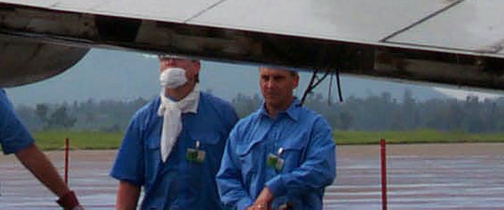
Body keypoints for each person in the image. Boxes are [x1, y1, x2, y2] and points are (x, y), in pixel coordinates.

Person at [110, 54, 238, 210]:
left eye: (177, 57)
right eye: (164, 58)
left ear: (196, 66)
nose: (170, 62)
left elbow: (238, 175)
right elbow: (129, 182)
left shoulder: (223, 116)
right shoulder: (143, 121)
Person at [215, 67, 335, 210]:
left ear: (295, 81)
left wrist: (275, 188)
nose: (270, 85)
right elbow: (227, 178)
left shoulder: (315, 126)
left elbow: (322, 169)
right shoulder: (242, 129)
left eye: (278, 79)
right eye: (265, 78)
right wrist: (247, 206)